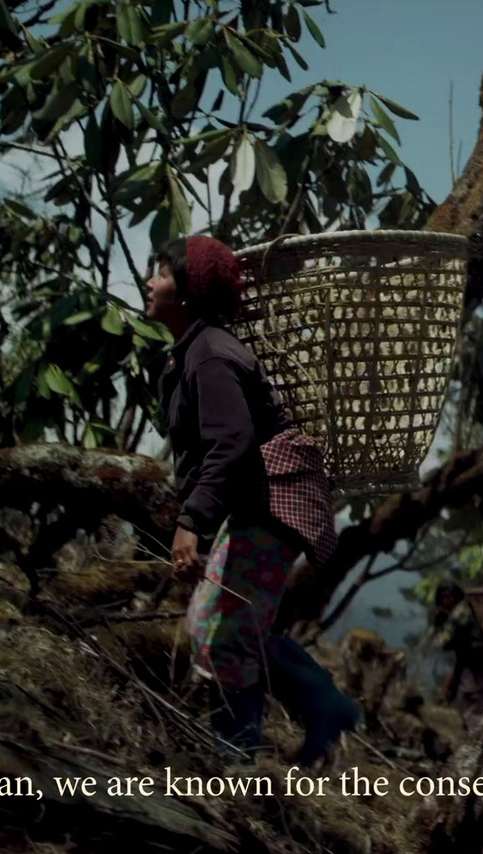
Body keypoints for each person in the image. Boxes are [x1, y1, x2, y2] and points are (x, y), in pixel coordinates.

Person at [147, 234, 360, 764]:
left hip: (273, 506)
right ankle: (317, 703)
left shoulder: (211, 355)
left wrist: (192, 521)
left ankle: (238, 758)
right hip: (257, 507)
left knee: (223, 634)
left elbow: (233, 443)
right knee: (214, 627)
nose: (149, 282)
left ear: (190, 290)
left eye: (162, 273)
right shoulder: (194, 352)